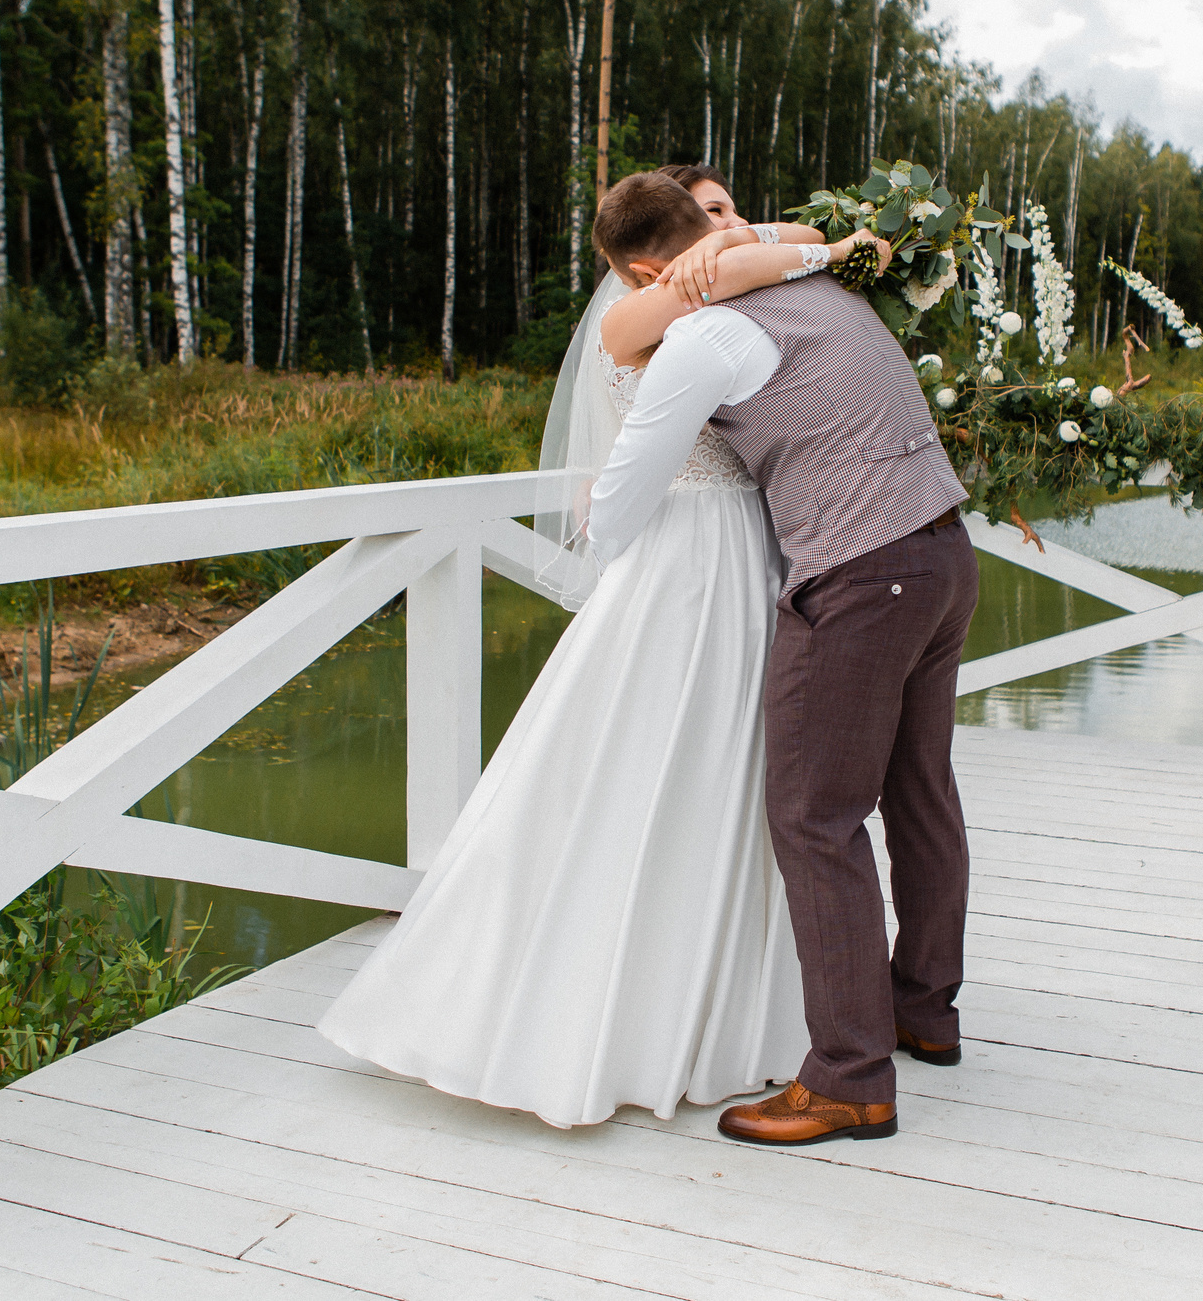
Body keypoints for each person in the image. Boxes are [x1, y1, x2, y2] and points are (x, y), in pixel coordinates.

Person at [316, 173, 885, 1129]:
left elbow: (774, 243)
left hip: (744, 551)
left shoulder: (710, 291)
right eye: (709, 225)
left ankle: (748, 1007)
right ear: (655, 266)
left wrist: (786, 243)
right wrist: (809, 254)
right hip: (697, 558)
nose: (728, 237)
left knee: (738, 772)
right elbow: (625, 489)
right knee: (668, 761)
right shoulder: (648, 319)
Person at [586, 179, 979, 1148]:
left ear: (650, 273)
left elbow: (620, 502)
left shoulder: (709, 338)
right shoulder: (825, 296)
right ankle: (921, 1012)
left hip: (858, 578)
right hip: (941, 553)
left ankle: (848, 1077)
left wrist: (606, 551)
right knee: (918, 791)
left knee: (813, 818)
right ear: (718, 237)